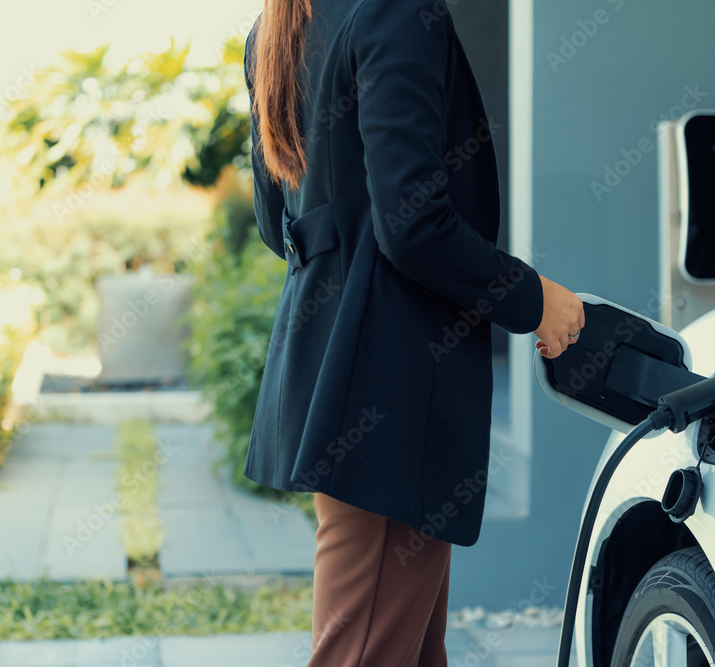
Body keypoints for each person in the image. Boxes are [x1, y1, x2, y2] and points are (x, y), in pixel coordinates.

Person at [241, 0, 585, 665]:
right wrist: (535, 299)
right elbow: (414, 226)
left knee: (411, 650)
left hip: (338, 368)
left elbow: (273, 220)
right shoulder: (395, 12)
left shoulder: (277, 30)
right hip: (393, 379)